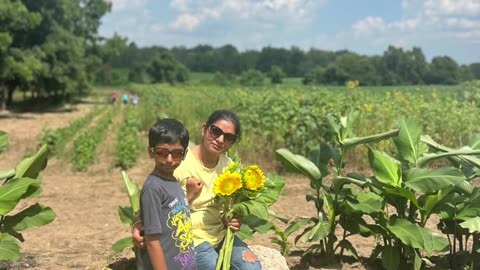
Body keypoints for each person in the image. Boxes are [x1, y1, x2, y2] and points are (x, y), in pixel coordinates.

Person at [133, 110, 262, 270]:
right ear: (204, 129)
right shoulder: (178, 162)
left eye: (229, 137)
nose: (220, 140)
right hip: (189, 239)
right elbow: (155, 201)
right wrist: (139, 223)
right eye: (216, 131)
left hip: (220, 235)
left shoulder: (230, 168)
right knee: (211, 265)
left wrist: (233, 218)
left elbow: (230, 207)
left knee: (252, 266)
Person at [137, 118, 196, 270]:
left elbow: (174, 212)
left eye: (176, 153)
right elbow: (152, 241)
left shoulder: (172, 180)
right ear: (151, 152)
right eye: (162, 152)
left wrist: (190, 195)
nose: (169, 159)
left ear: (184, 154)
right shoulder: (153, 189)